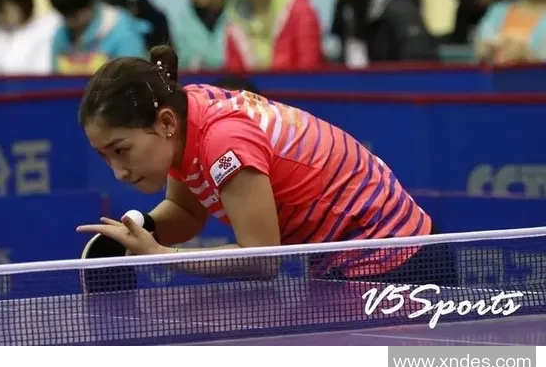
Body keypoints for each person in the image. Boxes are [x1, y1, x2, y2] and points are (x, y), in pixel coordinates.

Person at [76, 45, 455, 284]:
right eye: (104, 156)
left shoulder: (223, 141)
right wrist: (144, 231)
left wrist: (159, 255)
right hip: (347, 261)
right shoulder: (184, 116)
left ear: (165, 123)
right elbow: (185, 212)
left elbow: (260, 259)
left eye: (121, 150)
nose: (118, 172)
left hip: (396, 259)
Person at [49, 0, 146, 74]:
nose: (70, 20)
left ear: (91, 3)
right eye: (64, 14)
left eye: (74, 14)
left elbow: (133, 77)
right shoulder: (61, 35)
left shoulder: (123, 32)